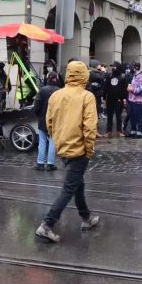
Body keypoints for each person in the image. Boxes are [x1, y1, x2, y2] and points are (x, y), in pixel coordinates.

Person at [35, 61, 100, 243]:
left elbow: (49, 122)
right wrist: (89, 149)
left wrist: (58, 139)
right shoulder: (87, 96)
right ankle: (46, 225)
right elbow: (89, 127)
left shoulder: (56, 95)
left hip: (63, 146)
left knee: (78, 183)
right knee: (70, 187)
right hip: (79, 148)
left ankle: (86, 217)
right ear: (84, 76)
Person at [34, 72, 61, 171]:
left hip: (42, 119)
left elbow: (36, 106)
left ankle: (40, 163)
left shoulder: (42, 90)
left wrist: (39, 115)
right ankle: (50, 164)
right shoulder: (59, 91)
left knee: (42, 141)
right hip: (55, 120)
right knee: (52, 142)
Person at [104, 62, 127, 137]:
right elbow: (106, 87)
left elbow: (124, 89)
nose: (113, 68)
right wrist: (104, 98)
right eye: (112, 66)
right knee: (109, 116)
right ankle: (108, 130)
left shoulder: (123, 77)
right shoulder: (109, 76)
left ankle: (119, 130)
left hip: (119, 99)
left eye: (114, 66)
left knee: (118, 116)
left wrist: (124, 98)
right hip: (110, 99)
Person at [126, 61, 142, 138]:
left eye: (132, 67)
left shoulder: (141, 76)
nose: (131, 68)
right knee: (132, 115)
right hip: (132, 99)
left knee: (138, 116)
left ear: (136, 67)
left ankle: (139, 132)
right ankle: (133, 130)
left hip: (139, 100)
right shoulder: (134, 76)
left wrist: (132, 90)